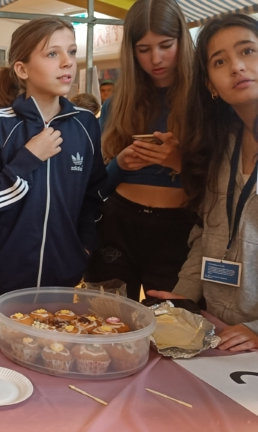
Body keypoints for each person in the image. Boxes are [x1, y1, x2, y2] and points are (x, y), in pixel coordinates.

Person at [0, 17, 106, 304]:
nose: (67, 62)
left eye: (72, 52)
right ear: (22, 69)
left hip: (62, 287)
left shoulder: (86, 124)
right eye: (53, 53)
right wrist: (27, 159)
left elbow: (95, 197)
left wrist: (83, 249)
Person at [148, 14, 258, 352]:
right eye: (220, 61)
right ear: (210, 84)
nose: (237, 67)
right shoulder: (221, 144)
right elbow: (207, 231)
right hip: (218, 331)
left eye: (248, 51)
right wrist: (185, 297)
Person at [85, 0, 196, 301]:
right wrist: (119, 164)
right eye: (143, 49)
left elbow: (219, 191)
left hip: (180, 229)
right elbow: (97, 189)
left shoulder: (205, 102)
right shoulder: (116, 104)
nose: (155, 59)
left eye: (165, 45)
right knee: (104, 323)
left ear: (183, 41)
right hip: (117, 225)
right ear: (130, 51)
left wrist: (181, 163)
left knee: (173, 329)